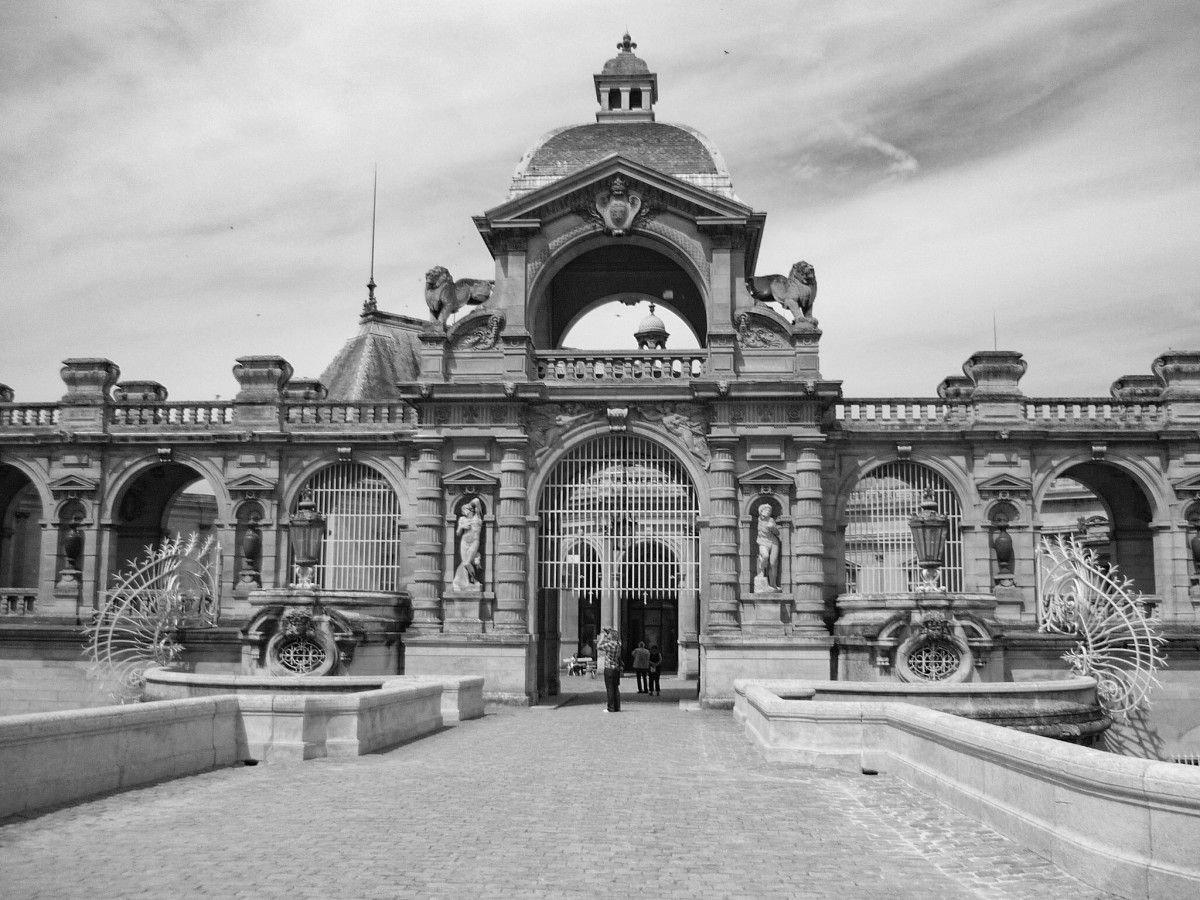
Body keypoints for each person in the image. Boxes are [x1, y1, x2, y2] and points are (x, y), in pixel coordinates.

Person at [451, 498, 483, 592]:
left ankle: (475, 580)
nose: (464, 513)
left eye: (464, 511)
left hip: (474, 542)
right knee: (464, 564)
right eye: (462, 511)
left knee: (467, 563)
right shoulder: (462, 519)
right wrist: (461, 526)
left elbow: (477, 500)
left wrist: (468, 505)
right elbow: (457, 533)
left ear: (470, 510)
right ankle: (467, 583)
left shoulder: (477, 517)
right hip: (464, 543)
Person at [754, 503, 782, 593]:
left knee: (773, 563)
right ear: (761, 511)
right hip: (763, 542)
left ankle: (773, 584)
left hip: (773, 542)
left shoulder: (771, 520)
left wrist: (773, 527)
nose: (768, 512)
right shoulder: (759, 519)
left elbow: (777, 533)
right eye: (766, 510)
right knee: (765, 556)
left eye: (770, 511)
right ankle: (761, 571)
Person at [597, 627, 622, 712]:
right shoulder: (618, 644)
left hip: (609, 668)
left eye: (609, 634)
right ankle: (617, 707)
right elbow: (616, 638)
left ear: (611, 636)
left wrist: (601, 638)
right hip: (616, 668)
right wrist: (609, 632)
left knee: (610, 688)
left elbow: (598, 647)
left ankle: (611, 707)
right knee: (615, 688)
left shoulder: (609, 644)